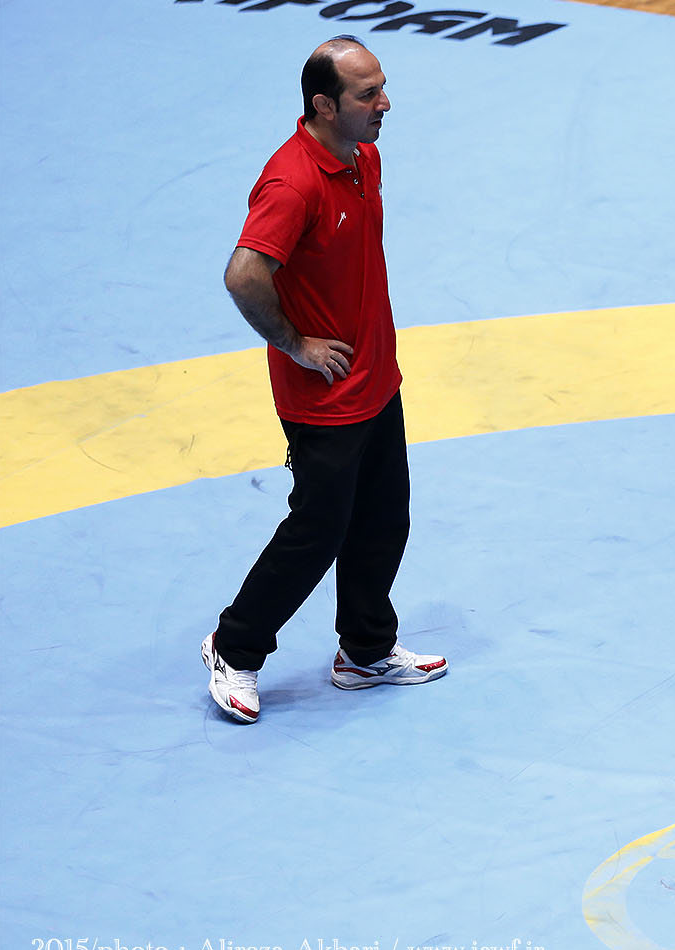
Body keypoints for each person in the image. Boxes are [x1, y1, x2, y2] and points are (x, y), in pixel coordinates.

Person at [200, 36, 446, 724]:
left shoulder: (363, 156)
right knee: (318, 529)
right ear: (324, 105)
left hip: (376, 377)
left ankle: (365, 650)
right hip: (324, 395)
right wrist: (296, 344)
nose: (385, 103)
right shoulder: (292, 183)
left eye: (382, 87)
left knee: (383, 519)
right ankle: (234, 647)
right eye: (368, 94)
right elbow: (244, 275)